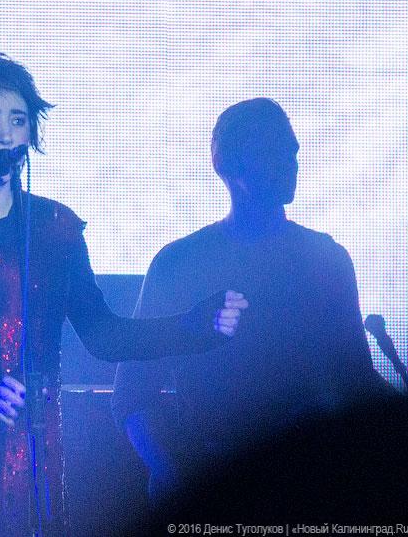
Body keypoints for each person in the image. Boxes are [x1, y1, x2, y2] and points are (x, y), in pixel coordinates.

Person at [0, 52, 247, 536]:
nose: (6, 135)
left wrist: (191, 328)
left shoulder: (54, 230)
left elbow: (103, 335)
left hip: (32, 473)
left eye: (18, 120)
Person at [111, 98, 389, 505]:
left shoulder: (327, 260)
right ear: (228, 164)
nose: (291, 163)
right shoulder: (179, 265)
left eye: (292, 151)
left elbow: (355, 382)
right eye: (275, 151)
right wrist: (171, 472)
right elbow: (133, 395)